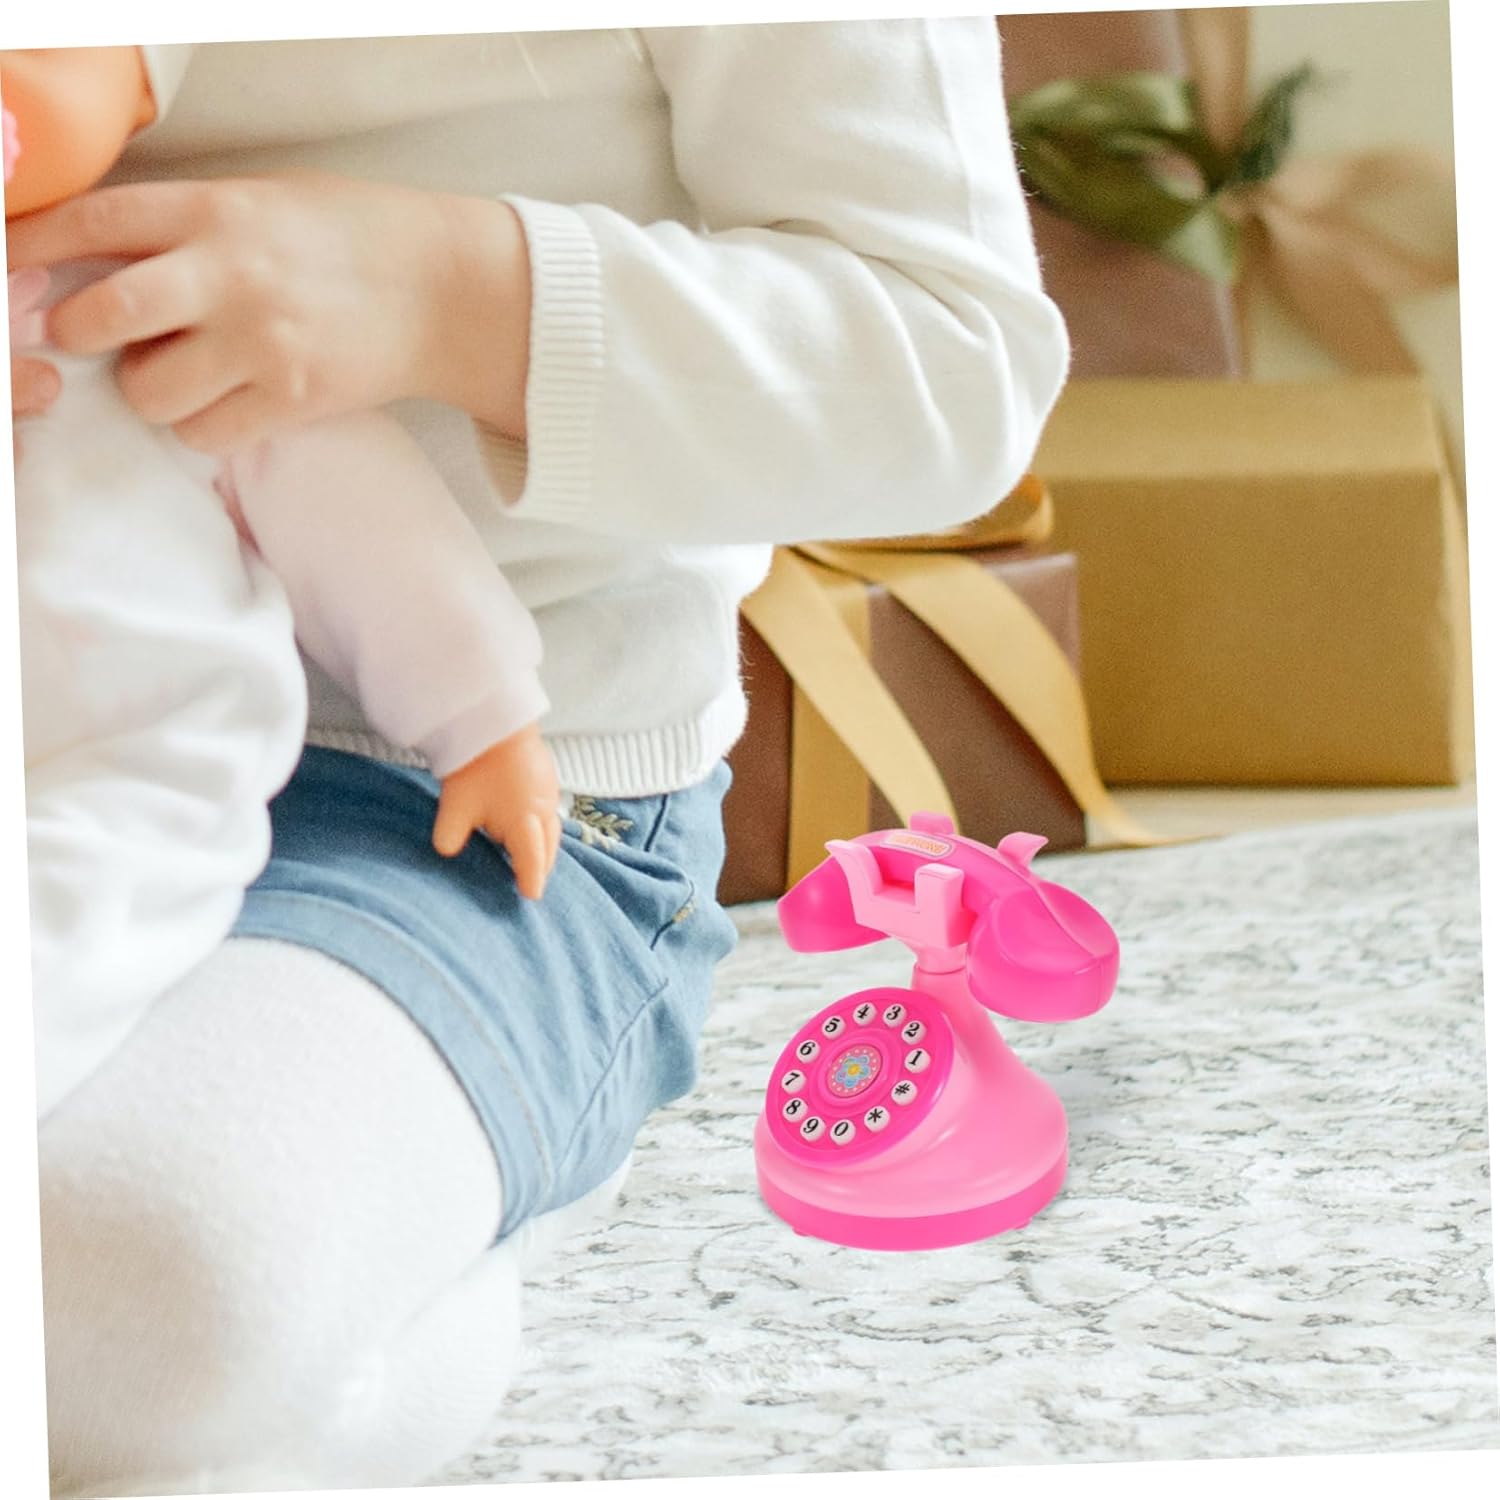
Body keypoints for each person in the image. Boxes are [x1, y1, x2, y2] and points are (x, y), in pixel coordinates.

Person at [7, 19, 1069, 1496]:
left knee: (115, 1271)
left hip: (467, 795)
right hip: (53, 735)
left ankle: (418, 1228)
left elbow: (955, 367)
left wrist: (446, 296)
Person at [5, 49, 563, 1120]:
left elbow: (347, 499)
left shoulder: (156, 297)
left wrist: (481, 715)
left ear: (140, 91)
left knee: (57, 930)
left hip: (133, 760)